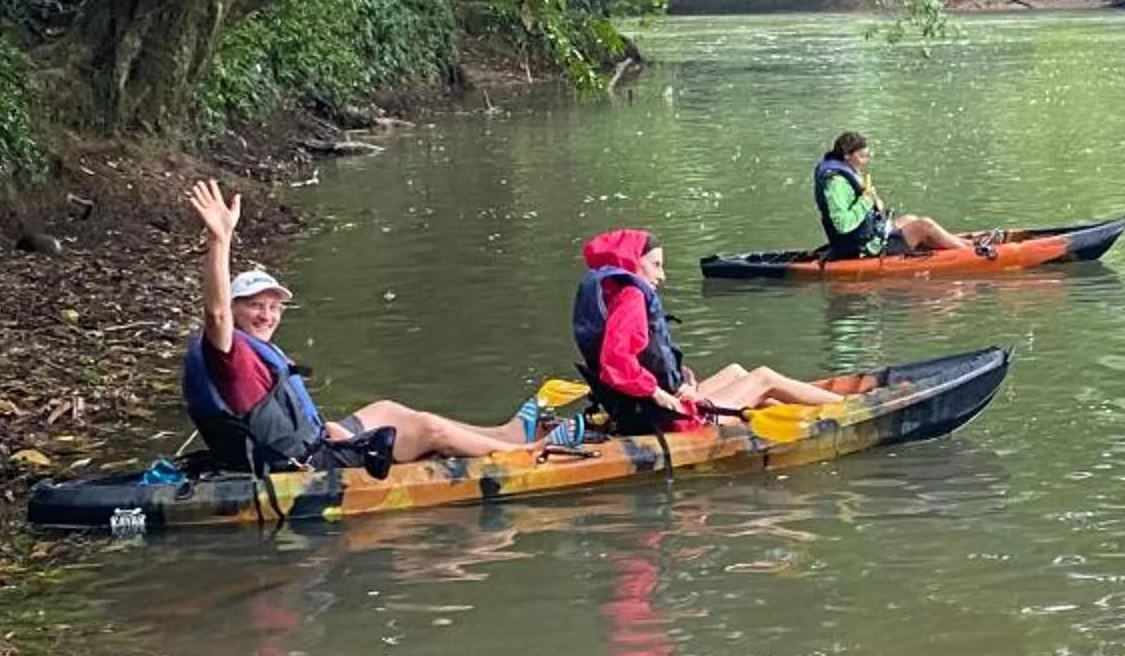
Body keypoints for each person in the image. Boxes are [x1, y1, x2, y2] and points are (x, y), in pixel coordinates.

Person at [183, 179, 548, 471]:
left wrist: (328, 429)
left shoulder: (250, 352)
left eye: (273, 306)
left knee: (387, 409)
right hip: (308, 465)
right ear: (233, 310)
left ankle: (502, 435)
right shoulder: (228, 355)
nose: (267, 315)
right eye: (254, 307)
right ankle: (524, 455)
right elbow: (216, 315)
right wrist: (221, 239)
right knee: (427, 430)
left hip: (316, 442)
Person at [574, 228, 852, 432]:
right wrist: (660, 394)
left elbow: (644, 358)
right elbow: (616, 361)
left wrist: (681, 383)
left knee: (736, 371)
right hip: (667, 417)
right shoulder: (632, 297)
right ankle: (850, 409)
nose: (662, 275)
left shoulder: (615, 293)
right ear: (633, 261)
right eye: (656, 265)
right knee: (765, 378)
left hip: (642, 409)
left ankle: (807, 417)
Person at [813, 132, 989, 260]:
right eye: (862, 156)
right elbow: (842, 225)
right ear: (846, 156)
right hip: (861, 247)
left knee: (911, 219)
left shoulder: (847, 173)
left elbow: (867, 210)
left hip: (869, 235)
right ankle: (973, 254)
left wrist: (874, 203)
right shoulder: (836, 183)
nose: (866, 161)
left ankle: (967, 245)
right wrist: (866, 200)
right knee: (924, 226)